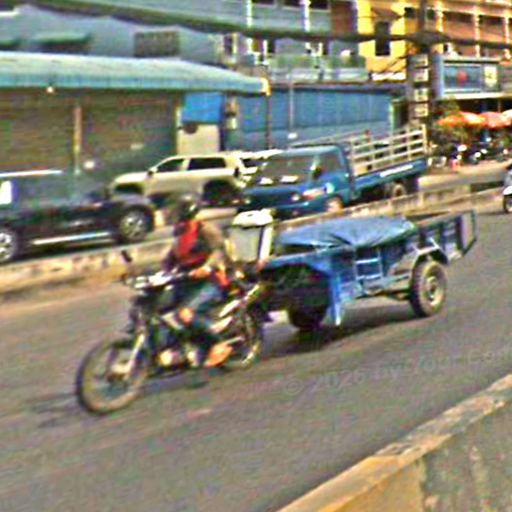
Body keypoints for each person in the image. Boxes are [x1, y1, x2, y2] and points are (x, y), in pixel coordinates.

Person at [161, 193, 233, 386]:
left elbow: (219, 251)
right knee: (158, 308)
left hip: (210, 281)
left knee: (184, 313)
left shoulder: (205, 229)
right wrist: (162, 270)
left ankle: (218, 344)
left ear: (186, 210)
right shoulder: (179, 232)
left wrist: (207, 267)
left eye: (173, 210)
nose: (169, 214)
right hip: (186, 280)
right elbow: (172, 256)